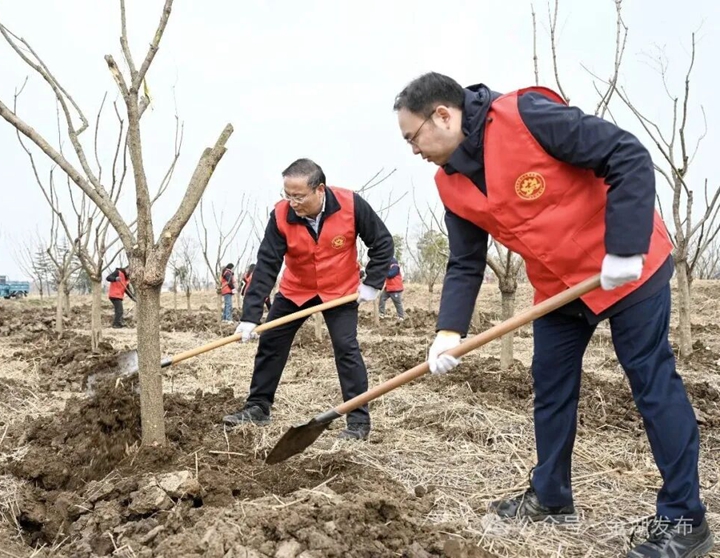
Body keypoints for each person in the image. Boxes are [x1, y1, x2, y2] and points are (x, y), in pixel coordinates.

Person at [393, 72, 712, 558]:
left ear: (443, 115)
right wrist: (447, 332)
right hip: (562, 287)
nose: (413, 150)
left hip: (626, 267)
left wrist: (625, 247)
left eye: (413, 137)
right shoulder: (450, 184)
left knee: (650, 380)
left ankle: (684, 518)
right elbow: (463, 261)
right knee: (550, 382)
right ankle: (551, 496)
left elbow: (627, 154)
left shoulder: (527, 117)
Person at [222, 158, 393, 440]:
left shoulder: (351, 204)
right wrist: (250, 317)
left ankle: (358, 421)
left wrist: (373, 283)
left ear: (320, 190)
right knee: (271, 343)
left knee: (346, 349)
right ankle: (258, 407)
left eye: (298, 196)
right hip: (296, 290)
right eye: (287, 195)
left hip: (339, 291)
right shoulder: (280, 216)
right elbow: (266, 265)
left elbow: (382, 241)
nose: (292, 202)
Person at [379, 256, 405, 320]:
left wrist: (383, 272)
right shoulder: (388, 267)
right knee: (382, 298)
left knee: (397, 303)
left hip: (395, 288)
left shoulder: (395, 266)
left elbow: (390, 275)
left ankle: (401, 316)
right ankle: (381, 313)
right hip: (389, 287)